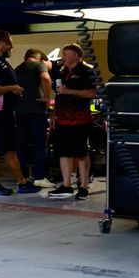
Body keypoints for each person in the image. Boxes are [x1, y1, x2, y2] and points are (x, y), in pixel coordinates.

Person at [0, 30, 38, 196]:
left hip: (5, 111)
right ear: (0, 44)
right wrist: (12, 88)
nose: (11, 46)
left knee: (10, 149)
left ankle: (22, 182)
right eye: (9, 43)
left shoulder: (2, 62)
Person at [47, 44, 97, 200]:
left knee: (81, 153)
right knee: (63, 152)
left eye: (66, 54)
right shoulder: (62, 72)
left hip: (80, 120)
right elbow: (59, 96)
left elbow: (92, 93)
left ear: (76, 56)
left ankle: (83, 187)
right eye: (63, 54)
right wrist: (54, 115)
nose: (63, 57)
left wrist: (69, 91)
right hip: (62, 119)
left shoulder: (87, 71)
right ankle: (66, 185)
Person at [15, 49, 55, 190]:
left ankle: (22, 177)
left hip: (20, 110)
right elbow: (45, 78)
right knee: (39, 144)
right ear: (40, 59)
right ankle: (39, 177)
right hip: (36, 109)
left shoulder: (17, 68)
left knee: (21, 145)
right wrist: (47, 97)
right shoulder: (39, 65)